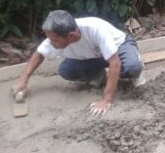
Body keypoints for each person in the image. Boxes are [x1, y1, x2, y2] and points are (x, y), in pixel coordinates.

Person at [14, 10, 146, 116]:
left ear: (71, 36)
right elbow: (39, 55)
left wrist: (106, 100)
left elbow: (115, 62)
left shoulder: (95, 29)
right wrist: (23, 81)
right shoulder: (55, 38)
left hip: (119, 47)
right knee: (66, 70)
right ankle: (102, 76)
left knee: (132, 67)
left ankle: (136, 67)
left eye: (54, 40)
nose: (51, 43)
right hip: (95, 56)